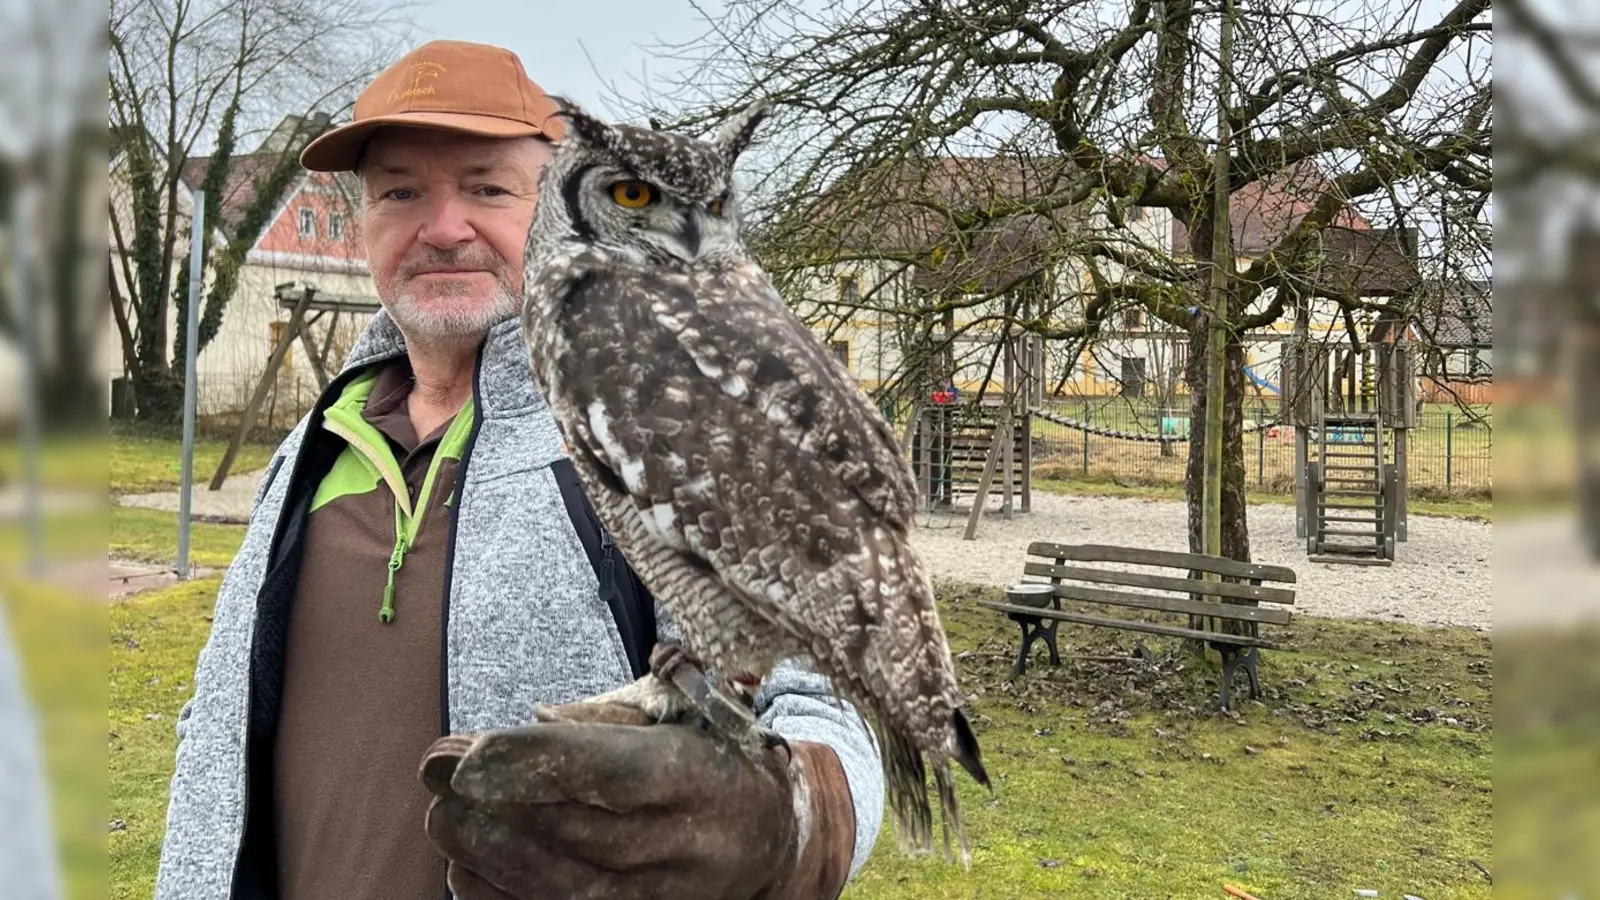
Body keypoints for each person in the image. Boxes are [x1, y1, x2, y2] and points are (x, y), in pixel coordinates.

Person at [153, 39, 883, 900]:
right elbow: (220, 715)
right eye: (400, 191)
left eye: (488, 188)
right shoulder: (316, 441)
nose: (443, 226)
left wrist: (790, 824)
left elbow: (830, 704)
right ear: (364, 225)